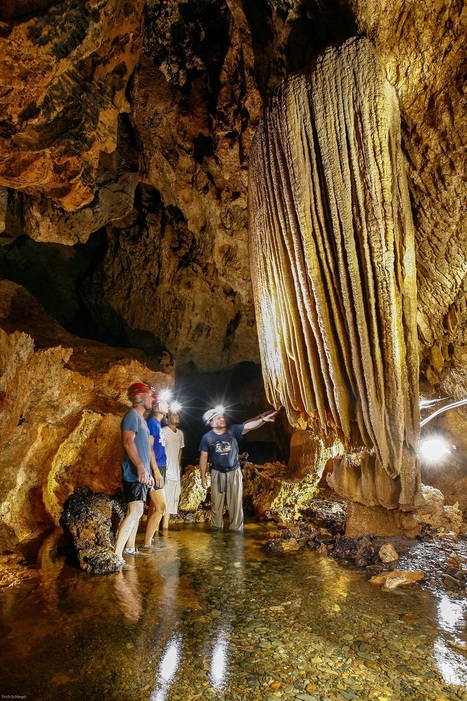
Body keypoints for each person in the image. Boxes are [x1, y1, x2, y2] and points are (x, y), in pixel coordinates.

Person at [199, 406, 278, 531]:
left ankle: (236, 532)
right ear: (211, 423)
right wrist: (203, 477)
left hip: (233, 472)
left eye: (222, 417)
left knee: (235, 504)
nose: (222, 419)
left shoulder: (232, 430)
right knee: (216, 505)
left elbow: (248, 426)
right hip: (217, 473)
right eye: (218, 418)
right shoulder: (207, 437)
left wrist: (262, 419)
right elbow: (204, 457)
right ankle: (216, 532)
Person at [114, 382, 156, 567]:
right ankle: (116, 555)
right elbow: (128, 443)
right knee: (135, 511)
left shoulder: (141, 420)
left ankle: (130, 548)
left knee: (137, 512)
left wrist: (147, 471)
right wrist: (139, 467)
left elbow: (143, 449)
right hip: (133, 473)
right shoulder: (132, 416)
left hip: (141, 473)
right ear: (138, 397)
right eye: (149, 396)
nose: (152, 399)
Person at [140, 393, 168, 550]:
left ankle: (149, 539)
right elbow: (149, 447)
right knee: (161, 507)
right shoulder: (151, 422)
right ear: (157, 406)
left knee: (154, 506)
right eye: (165, 403)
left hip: (160, 466)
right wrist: (156, 471)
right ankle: (147, 544)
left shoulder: (158, 424)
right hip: (155, 467)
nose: (168, 405)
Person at [161, 410, 185, 529]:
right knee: (161, 503)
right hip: (165, 471)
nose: (177, 416)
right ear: (168, 417)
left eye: (178, 414)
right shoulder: (164, 431)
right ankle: (155, 532)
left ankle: (164, 529)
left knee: (171, 503)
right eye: (174, 414)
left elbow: (180, 450)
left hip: (175, 472)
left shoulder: (180, 434)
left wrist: (179, 466)